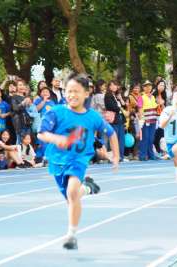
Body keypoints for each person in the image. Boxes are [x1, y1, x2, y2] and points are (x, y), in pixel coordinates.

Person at [38, 73, 119, 250]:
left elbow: (111, 133)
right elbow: (41, 132)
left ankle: (71, 235)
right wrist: (55, 139)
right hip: (57, 161)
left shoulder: (93, 117)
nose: (72, 95)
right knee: (71, 197)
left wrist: (116, 156)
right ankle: (88, 187)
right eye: (69, 91)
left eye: (76, 91)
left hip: (79, 160)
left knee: (72, 191)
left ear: (86, 93)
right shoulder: (56, 112)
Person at [105, 80, 126, 161]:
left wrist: (120, 99)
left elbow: (124, 106)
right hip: (113, 119)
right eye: (112, 85)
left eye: (115, 85)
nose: (114, 87)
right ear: (109, 87)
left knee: (121, 138)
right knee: (114, 139)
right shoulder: (108, 95)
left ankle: (121, 156)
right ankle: (115, 156)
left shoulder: (117, 95)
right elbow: (112, 107)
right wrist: (119, 108)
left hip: (120, 119)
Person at [137, 80, 158, 161]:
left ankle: (150, 154)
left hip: (153, 120)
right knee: (145, 138)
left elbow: (156, 107)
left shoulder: (153, 97)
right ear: (143, 87)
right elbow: (140, 109)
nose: (148, 87)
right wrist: (142, 120)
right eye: (146, 86)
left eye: (149, 85)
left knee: (151, 138)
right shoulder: (141, 97)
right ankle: (142, 155)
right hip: (145, 121)